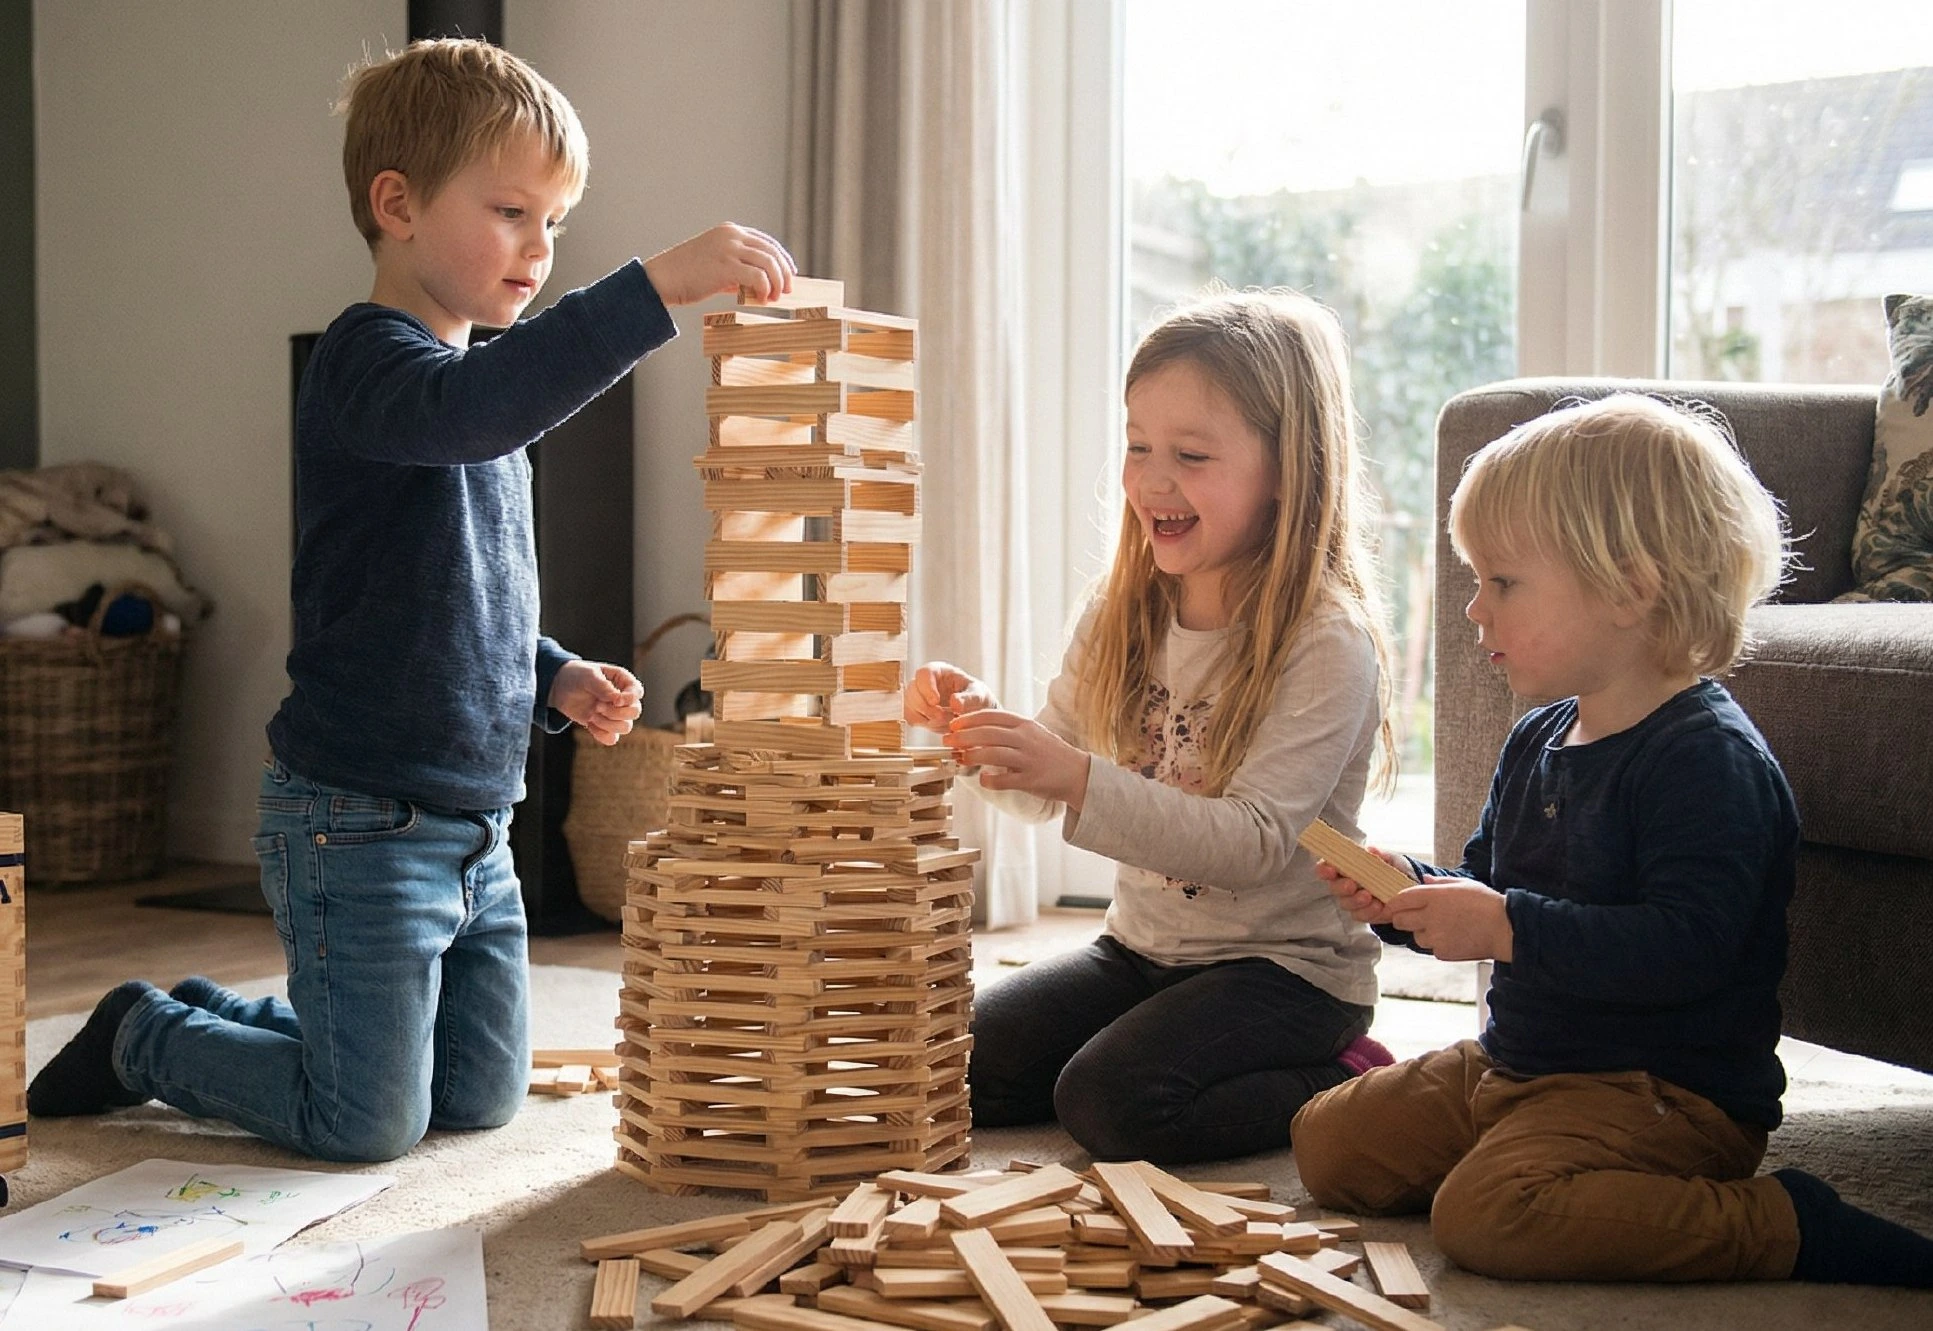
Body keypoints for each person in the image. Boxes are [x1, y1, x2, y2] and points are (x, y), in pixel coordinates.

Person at [28, 38, 796, 1162]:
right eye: (510, 212)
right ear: (396, 206)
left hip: (479, 830)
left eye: (554, 222)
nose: (539, 246)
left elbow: (460, 600)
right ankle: (144, 1034)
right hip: (357, 820)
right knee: (367, 1122)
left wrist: (552, 674)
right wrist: (656, 287)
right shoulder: (367, 365)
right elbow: (472, 409)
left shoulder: (476, 409)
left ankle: (236, 1020)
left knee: (477, 1097)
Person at [1294, 393, 1933, 1286]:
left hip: (1663, 1090)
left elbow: (1688, 948)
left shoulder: (1706, 760)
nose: (1474, 609)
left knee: (1488, 1219)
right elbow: (1490, 884)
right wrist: (1407, 893)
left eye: (1503, 582)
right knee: (1325, 1141)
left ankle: (1784, 1221)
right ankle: (1544, 1160)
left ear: (1630, 589)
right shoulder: (1539, 735)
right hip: (1521, 1062)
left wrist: (1506, 926)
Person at [906, 288, 1398, 1166]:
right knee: (949, 1062)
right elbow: (1040, 789)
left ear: (1287, 469)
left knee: (1108, 1102)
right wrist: (982, 734)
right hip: (1139, 952)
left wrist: (1072, 775)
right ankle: (1162, 1042)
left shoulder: (1326, 640)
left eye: (1191, 455)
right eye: (1137, 446)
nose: (1153, 480)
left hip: (1287, 973)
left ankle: (1348, 1073)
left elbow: (1251, 843)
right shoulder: (1120, 608)